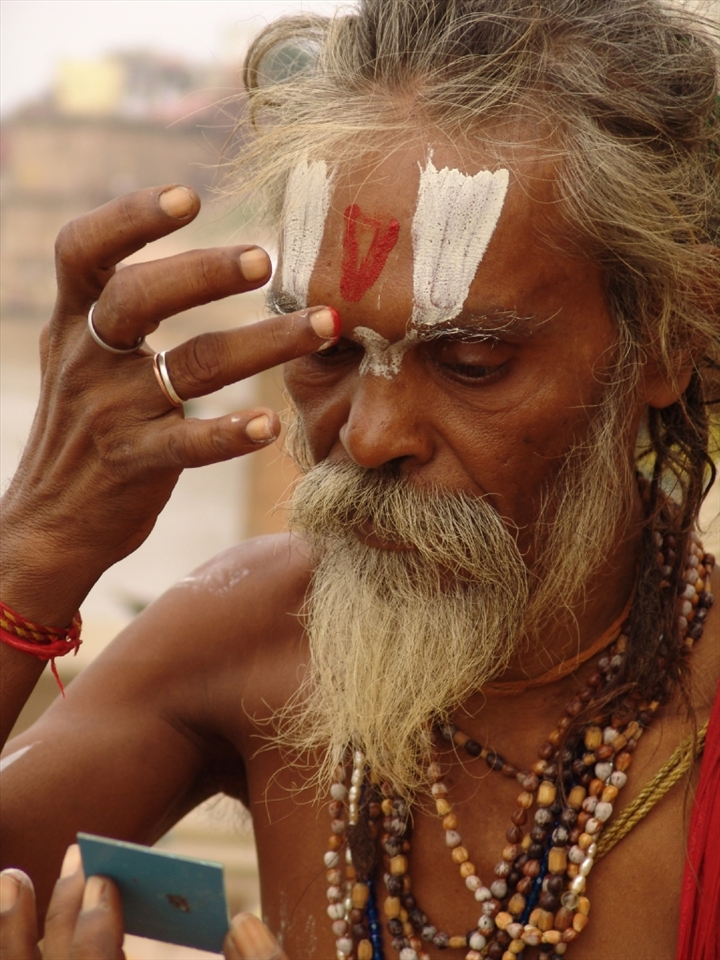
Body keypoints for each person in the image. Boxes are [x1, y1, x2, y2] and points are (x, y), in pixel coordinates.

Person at [1, 1, 718, 958]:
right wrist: (33, 554)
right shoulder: (251, 638)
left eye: (469, 361)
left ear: (667, 343)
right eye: (326, 356)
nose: (372, 434)